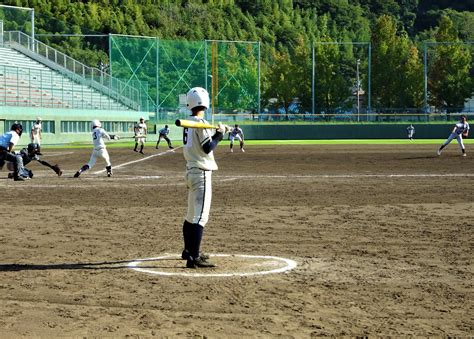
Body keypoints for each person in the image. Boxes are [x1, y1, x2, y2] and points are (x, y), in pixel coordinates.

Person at [180, 87, 230, 269]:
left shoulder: (188, 123)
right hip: (201, 172)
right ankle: (194, 257)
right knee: (200, 218)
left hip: (190, 171)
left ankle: (187, 250)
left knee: (190, 215)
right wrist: (220, 134)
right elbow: (208, 147)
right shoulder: (200, 123)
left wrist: (217, 132)